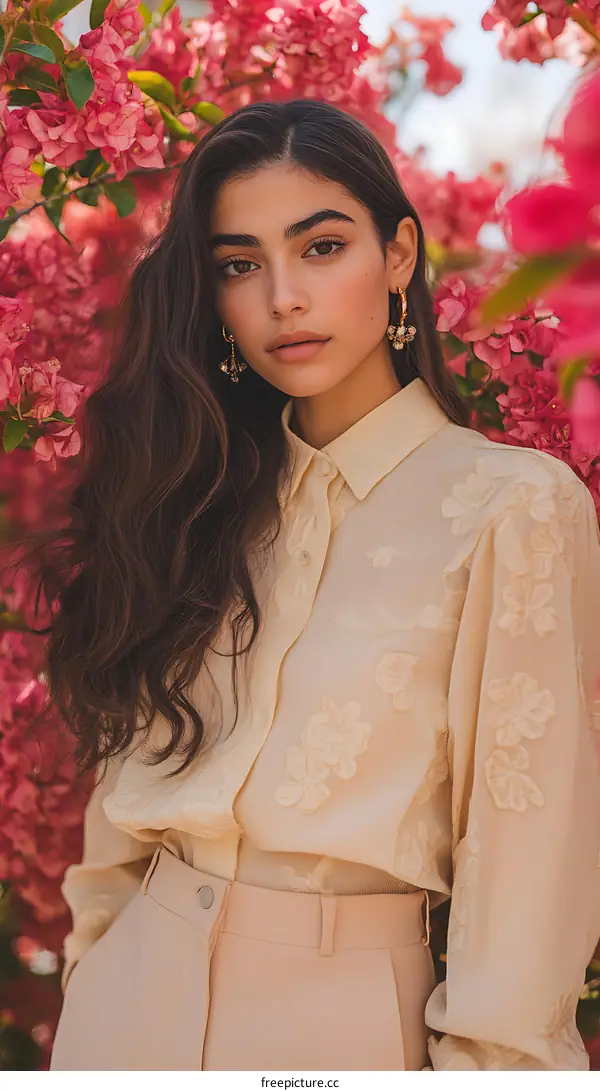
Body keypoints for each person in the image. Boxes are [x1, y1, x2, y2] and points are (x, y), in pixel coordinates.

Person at [40, 98, 600, 1071]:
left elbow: (530, 873)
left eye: (323, 247)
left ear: (398, 257)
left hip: (341, 1026)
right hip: (126, 1011)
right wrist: (93, 975)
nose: (283, 297)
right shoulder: (195, 495)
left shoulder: (510, 508)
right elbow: (125, 801)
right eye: (240, 264)